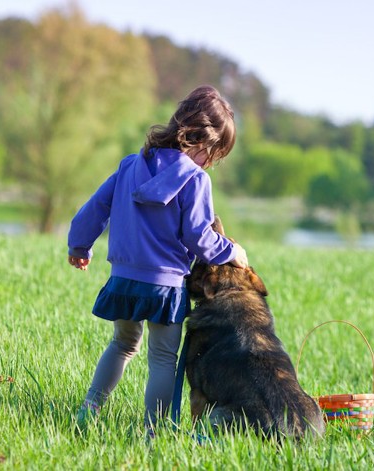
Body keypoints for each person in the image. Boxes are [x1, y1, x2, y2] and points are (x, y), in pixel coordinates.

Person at [67, 85, 249, 437]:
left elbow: (96, 208)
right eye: (214, 152)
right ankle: (155, 433)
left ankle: (89, 410)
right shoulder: (196, 180)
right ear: (202, 141)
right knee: (163, 359)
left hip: (123, 280)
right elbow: (198, 237)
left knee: (122, 344)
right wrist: (232, 251)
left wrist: (79, 245)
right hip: (165, 286)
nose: (211, 162)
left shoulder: (130, 165)